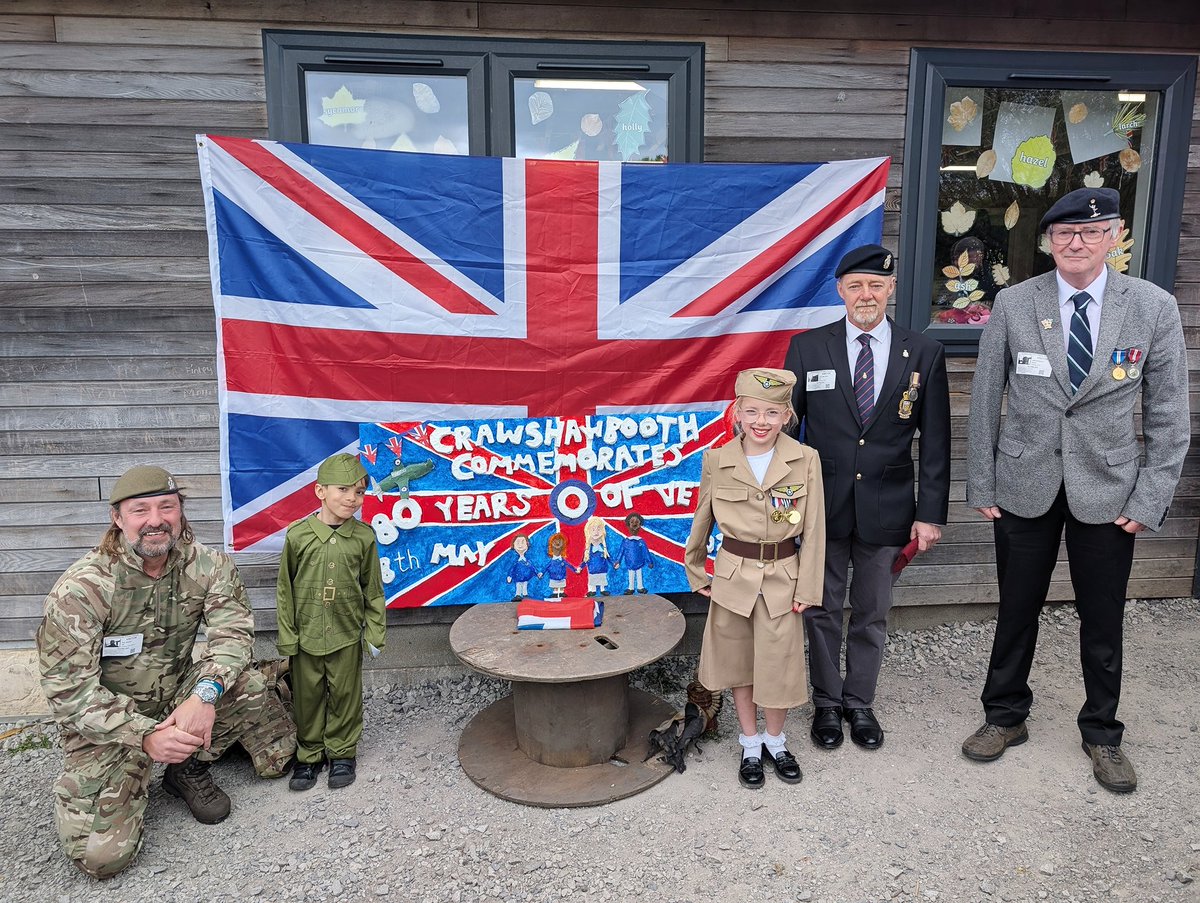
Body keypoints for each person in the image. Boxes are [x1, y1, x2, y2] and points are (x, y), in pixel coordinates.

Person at [964, 187, 1190, 793]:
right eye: (1064, 234)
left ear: (1114, 237)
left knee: (1103, 617)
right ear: (1049, 241)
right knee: (1015, 610)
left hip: (1110, 492)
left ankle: (1102, 733)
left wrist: (1148, 500)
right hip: (1024, 483)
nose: (1076, 243)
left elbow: (1169, 415)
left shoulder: (1152, 306)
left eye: (1091, 233)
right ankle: (1005, 716)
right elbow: (986, 400)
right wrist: (982, 481)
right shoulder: (1014, 302)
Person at [36, 465, 296, 880]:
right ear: (117, 519)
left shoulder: (208, 565)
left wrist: (205, 694)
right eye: (141, 510)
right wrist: (144, 736)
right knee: (100, 859)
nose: (156, 520)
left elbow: (233, 637)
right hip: (111, 723)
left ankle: (184, 769)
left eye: (167, 507)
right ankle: (142, 764)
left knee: (247, 684)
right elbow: (71, 694)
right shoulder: (83, 590)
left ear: (180, 512)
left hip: (178, 696)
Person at [783, 244, 950, 751]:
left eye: (876, 285)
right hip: (822, 507)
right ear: (839, 290)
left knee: (872, 609)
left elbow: (937, 441)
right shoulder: (808, 348)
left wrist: (930, 515)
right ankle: (827, 704)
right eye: (855, 285)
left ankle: (860, 703)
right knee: (822, 608)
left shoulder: (923, 352)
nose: (865, 294)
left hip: (889, 505)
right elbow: (788, 433)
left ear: (891, 289)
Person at [684, 367, 825, 789]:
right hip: (732, 577)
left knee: (778, 662)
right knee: (740, 662)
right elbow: (702, 518)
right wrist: (695, 572)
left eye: (772, 412)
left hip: (783, 576)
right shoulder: (718, 459)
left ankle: (776, 741)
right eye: (752, 411)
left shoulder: (805, 459)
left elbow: (815, 527)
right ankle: (750, 743)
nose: (761, 421)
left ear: (787, 416)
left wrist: (808, 587)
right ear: (738, 413)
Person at [277, 452, 387, 792]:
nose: (352, 498)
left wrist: (374, 632)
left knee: (345, 694)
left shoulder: (364, 537)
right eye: (343, 489)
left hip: (345, 632)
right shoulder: (298, 536)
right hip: (307, 635)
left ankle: (341, 752)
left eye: (359, 492)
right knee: (307, 696)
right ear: (320, 491)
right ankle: (309, 755)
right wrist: (288, 638)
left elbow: (374, 589)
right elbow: (285, 590)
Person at [612, 511, 654, 594]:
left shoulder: (641, 541)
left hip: (639, 562)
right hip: (629, 563)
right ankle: (630, 587)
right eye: (632, 522)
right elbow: (621, 552)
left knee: (639, 574)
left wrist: (650, 561)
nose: (634, 524)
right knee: (631, 574)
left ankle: (640, 587)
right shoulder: (626, 541)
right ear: (628, 525)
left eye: (636, 522)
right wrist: (617, 561)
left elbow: (645, 552)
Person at [544, 532, 580, 598]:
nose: (557, 543)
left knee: (561, 585)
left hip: (562, 577)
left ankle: (561, 592)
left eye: (559, 542)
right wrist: (542, 573)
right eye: (555, 542)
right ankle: (555, 593)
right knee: (555, 586)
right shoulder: (551, 561)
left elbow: (569, 565)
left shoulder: (563, 561)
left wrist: (575, 570)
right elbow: (546, 567)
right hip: (553, 577)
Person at [582, 515, 611, 597]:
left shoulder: (603, 548)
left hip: (602, 569)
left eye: (599, 529)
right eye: (593, 529)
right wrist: (581, 567)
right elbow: (584, 560)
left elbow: (609, 557)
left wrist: (614, 563)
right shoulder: (588, 550)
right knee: (593, 580)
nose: (596, 532)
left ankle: (602, 590)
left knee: (602, 579)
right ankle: (592, 590)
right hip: (592, 569)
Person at [506, 534, 538, 601]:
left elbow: (532, 568)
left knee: (525, 585)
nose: (520, 545)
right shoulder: (516, 562)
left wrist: (537, 573)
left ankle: (525, 594)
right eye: (517, 543)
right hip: (518, 577)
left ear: (527, 544)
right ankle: (518, 595)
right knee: (518, 585)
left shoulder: (528, 562)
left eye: (523, 542)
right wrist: (509, 576)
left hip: (526, 577)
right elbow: (512, 569)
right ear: (513, 545)